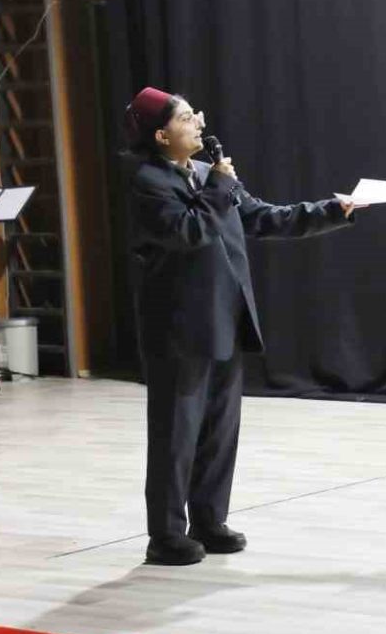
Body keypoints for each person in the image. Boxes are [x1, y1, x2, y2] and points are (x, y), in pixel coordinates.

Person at [124, 86, 362, 565]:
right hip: (179, 331)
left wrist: (333, 211)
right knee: (176, 436)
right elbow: (189, 232)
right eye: (186, 117)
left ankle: (209, 521)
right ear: (161, 135)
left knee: (219, 432)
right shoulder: (148, 182)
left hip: (225, 320)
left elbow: (263, 218)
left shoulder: (206, 174)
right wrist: (219, 185)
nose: (199, 121)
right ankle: (166, 536)